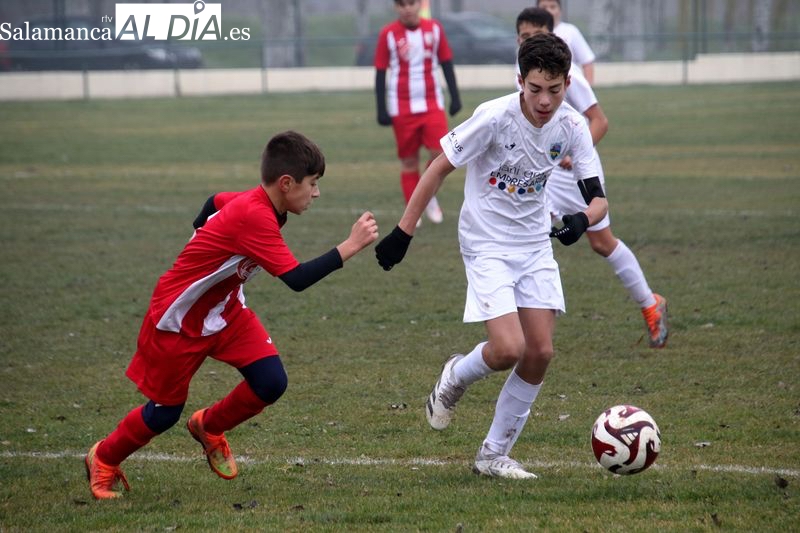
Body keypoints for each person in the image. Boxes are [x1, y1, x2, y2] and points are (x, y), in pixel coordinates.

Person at [84, 131, 379, 499]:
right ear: (286, 184)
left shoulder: (261, 203)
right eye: (313, 184)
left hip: (224, 310)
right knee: (163, 413)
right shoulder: (254, 216)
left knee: (270, 381)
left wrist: (205, 242)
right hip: (179, 320)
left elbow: (213, 203)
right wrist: (351, 245)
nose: (316, 193)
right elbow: (297, 279)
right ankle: (105, 458)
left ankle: (208, 426)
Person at [375, 33, 609, 479]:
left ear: (567, 83)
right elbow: (438, 166)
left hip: (534, 244)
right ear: (520, 80)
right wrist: (403, 233)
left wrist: (582, 220)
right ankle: (454, 377)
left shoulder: (573, 127)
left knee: (539, 351)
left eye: (555, 90)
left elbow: (597, 198)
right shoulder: (494, 117)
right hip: (486, 243)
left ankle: (493, 454)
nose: (545, 100)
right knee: (507, 348)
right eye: (535, 88)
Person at [516, 7, 668, 349]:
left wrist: (571, 156)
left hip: (575, 174)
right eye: (525, 37)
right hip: (544, 174)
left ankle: (650, 304)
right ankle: (529, 324)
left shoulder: (568, 77)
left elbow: (599, 121)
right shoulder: (525, 74)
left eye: (538, 35)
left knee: (601, 242)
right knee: (530, 229)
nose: (531, 42)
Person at [374, 0, 462, 226]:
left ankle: (429, 195)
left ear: (419, 5)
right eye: (402, 4)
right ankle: (413, 211)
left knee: (440, 154)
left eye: (411, 3)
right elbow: (381, 72)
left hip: (432, 103)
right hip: (402, 106)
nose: (407, 8)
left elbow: (446, 62)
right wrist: (381, 108)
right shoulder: (388, 34)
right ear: (396, 7)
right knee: (409, 161)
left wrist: (455, 96)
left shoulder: (434, 29)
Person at [537, 0, 596, 85]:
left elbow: (587, 62)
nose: (548, 10)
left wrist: (588, 88)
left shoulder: (571, 31)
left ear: (560, 10)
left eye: (552, 7)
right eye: (544, 7)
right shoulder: (533, 33)